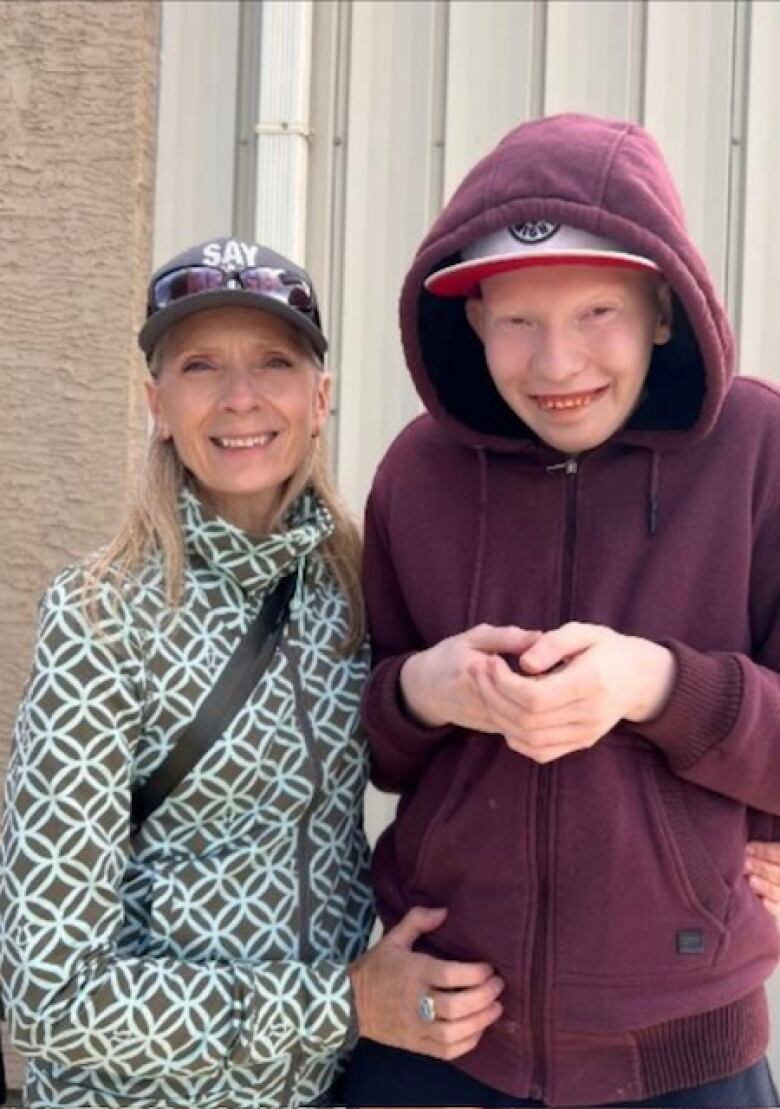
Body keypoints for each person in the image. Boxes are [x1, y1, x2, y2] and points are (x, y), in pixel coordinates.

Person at [0, 238, 504, 1108]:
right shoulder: (100, 616)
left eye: (273, 360)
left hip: (328, 1088)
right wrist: (340, 1003)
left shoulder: (355, 586)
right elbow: (46, 993)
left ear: (320, 400)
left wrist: (738, 829)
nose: (240, 397)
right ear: (157, 403)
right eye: (200, 365)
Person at [344, 113, 780, 1107]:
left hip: (686, 1056)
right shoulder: (417, 473)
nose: (556, 365)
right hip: (440, 1031)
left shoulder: (762, 449)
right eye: (519, 321)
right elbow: (365, 743)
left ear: (664, 309)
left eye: (596, 312)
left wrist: (655, 683)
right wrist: (422, 690)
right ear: (474, 321)